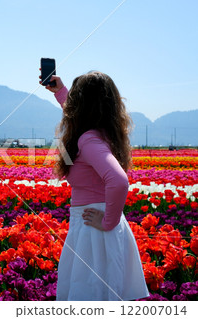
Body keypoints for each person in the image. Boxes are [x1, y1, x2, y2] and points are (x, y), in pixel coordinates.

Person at [42, 71, 150, 301]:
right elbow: (77, 116)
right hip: (95, 225)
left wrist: (108, 221)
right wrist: (61, 92)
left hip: (94, 229)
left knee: (89, 297)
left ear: (82, 105)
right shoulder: (101, 133)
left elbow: (119, 181)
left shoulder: (88, 140)